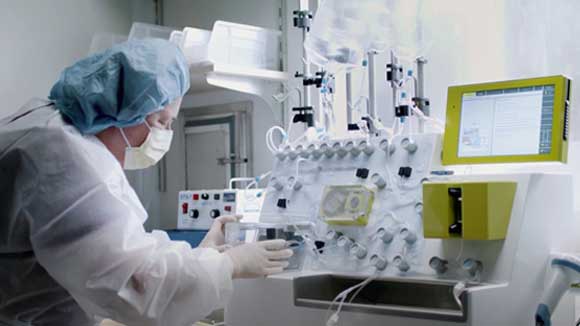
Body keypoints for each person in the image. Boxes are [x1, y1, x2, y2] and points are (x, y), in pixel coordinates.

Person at [0, 39, 293, 326]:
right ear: (128, 112)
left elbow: (117, 248)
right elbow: (138, 289)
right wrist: (232, 264)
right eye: (162, 122)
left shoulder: (45, 126)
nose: (165, 135)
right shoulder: (63, 158)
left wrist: (200, 256)